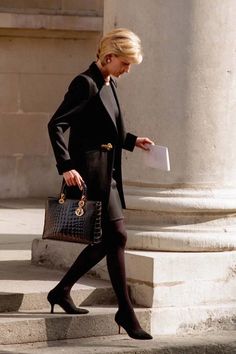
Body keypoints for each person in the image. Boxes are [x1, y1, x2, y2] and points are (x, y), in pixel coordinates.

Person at [47, 28, 154, 340]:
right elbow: (56, 124)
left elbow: (113, 132)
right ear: (109, 57)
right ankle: (126, 311)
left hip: (110, 172)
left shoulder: (111, 82)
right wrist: (65, 166)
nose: (128, 69)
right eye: (125, 62)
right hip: (91, 172)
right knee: (117, 236)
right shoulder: (85, 83)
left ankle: (62, 290)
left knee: (109, 240)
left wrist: (135, 141)